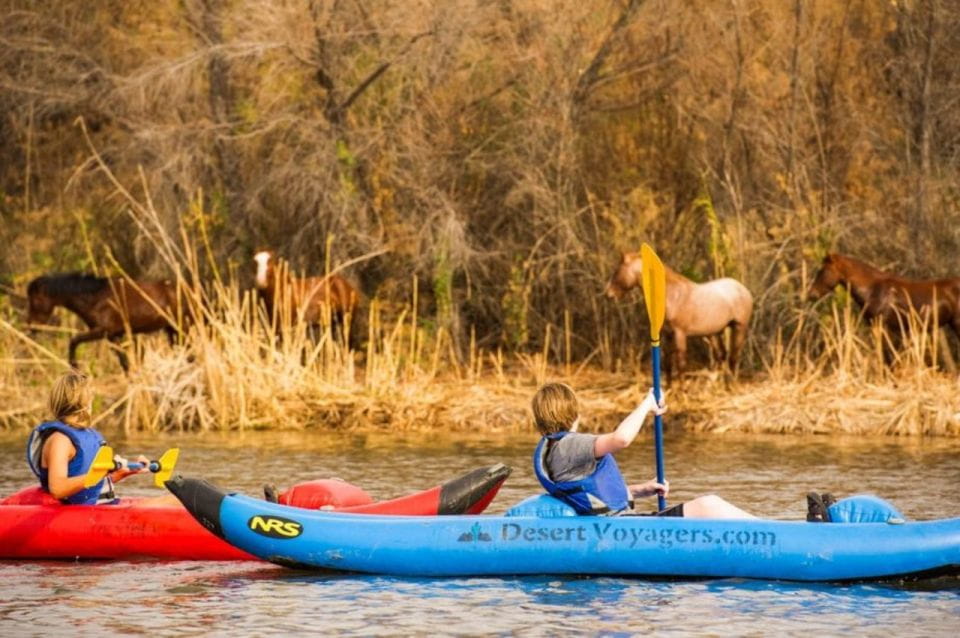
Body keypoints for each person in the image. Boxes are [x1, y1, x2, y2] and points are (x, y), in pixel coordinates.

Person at [531, 382, 755, 519]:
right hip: (621, 528)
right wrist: (647, 404)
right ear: (574, 413)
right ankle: (772, 536)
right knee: (708, 505)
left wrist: (640, 490)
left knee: (708, 506)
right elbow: (621, 439)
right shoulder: (569, 445)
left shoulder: (554, 449)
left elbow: (592, 497)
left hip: (617, 524)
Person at [26, 371, 179, 506]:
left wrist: (123, 473)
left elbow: (92, 485)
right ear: (86, 403)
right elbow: (58, 489)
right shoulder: (60, 441)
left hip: (104, 506)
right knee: (177, 501)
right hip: (83, 514)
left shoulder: (88, 435)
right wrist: (98, 474)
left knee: (177, 500)